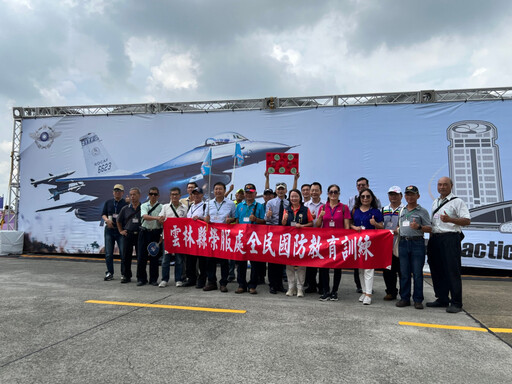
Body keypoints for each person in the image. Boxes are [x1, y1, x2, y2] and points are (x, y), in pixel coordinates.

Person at [425, 177, 470, 314]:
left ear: (451, 186)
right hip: (436, 238)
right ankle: (442, 298)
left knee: (452, 270)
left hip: (450, 238)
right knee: (437, 270)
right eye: (439, 185)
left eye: (445, 185)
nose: (442, 187)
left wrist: (450, 219)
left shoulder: (457, 201)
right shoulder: (435, 202)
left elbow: (467, 220)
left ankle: (456, 302)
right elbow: (434, 224)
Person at [395, 186, 431, 310]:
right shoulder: (402, 210)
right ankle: (404, 298)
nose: (410, 197)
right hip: (403, 243)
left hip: (417, 244)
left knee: (417, 273)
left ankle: (418, 300)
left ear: (418, 196)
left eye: (412, 194)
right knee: (404, 273)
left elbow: (430, 228)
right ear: (405, 196)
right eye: (407, 194)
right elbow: (399, 226)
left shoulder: (423, 211)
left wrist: (419, 227)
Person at [315, 184, 351, 301]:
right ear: (328, 194)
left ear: (339, 194)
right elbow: (318, 225)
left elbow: (346, 226)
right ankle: (325, 291)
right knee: (324, 267)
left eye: (335, 192)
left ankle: (334, 291)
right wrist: (320, 217)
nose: (333, 194)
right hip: (325, 241)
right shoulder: (323, 208)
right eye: (331, 192)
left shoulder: (344, 207)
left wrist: (344, 241)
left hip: (338, 241)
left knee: (337, 267)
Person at [350, 188, 384, 305]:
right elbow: (350, 224)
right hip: (358, 242)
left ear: (371, 198)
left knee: (369, 268)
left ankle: (369, 294)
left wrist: (375, 224)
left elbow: (382, 226)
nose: (365, 198)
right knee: (360, 269)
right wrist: (354, 228)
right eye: (363, 196)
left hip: (370, 243)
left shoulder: (376, 212)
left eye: (368, 196)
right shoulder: (355, 211)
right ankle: (364, 292)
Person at [280, 189, 314, 297]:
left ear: (300, 197)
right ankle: (291, 287)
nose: (294, 198)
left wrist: (302, 226)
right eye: (292, 197)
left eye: (296, 196)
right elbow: (283, 225)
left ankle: (300, 288)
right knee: (289, 265)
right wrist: (284, 220)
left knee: (301, 265)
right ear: (289, 198)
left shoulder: (305, 209)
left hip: (301, 241)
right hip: (289, 241)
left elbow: (311, 223)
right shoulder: (286, 209)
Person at [204, 182, 236, 292]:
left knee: (223, 261)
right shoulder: (208, 203)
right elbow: (205, 217)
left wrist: (230, 220)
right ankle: (211, 282)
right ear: (213, 191)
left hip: (224, 235)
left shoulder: (231, 203)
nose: (218, 191)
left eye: (220, 189)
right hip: (211, 234)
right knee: (210, 260)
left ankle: (223, 283)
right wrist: (206, 219)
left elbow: (235, 218)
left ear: (224, 190)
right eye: (216, 189)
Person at [234, 183, 266, 294]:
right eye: (247, 193)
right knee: (241, 263)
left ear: (255, 194)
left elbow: (264, 221)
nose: (249, 195)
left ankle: (252, 285)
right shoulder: (239, 206)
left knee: (254, 263)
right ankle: (241, 284)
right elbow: (237, 221)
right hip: (242, 237)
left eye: (251, 193)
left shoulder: (259, 206)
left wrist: (256, 219)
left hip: (254, 237)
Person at [158, 187, 187, 287]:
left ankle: (178, 279)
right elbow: (160, 219)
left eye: (176, 194)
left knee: (179, 260)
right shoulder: (165, 207)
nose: (174, 196)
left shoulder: (184, 208)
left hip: (179, 238)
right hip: (167, 237)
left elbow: (187, 222)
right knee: (166, 259)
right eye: (172, 194)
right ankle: (164, 279)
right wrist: (161, 219)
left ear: (179, 196)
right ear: (170, 196)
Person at [265, 182, 290, 294]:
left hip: (284, 233)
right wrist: (268, 216)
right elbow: (267, 220)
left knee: (281, 260)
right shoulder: (270, 202)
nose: (280, 191)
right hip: (273, 233)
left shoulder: (288, 203)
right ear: (276, 191)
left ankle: (279, 285)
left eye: (282, 189)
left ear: (286, 191)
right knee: (272, 261)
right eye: (278, 189)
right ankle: (272, 285)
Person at [136, 187, 163, 286]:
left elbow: (163, 222)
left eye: (155, 194)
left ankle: (153, 279)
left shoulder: (161, 207)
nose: (153, 196)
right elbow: (145, 217)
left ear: (158, 196)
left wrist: (161, 235)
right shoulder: (144, 205)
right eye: (151, 194)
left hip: (155, 233)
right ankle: (141, 279)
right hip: (144, 232)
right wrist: (157, 218)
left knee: (154, 257)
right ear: (148, 195)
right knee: (141, 257)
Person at [101, 184, 127, 281]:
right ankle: (109, 272)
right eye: (115, 190)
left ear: (123, 193)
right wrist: (107, 220)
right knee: (108, 253)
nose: (117, 192)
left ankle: (124, 273)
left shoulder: (125, 203)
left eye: (119, 191)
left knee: (123, 253)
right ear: (113, 192)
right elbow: (103, 214)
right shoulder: (108, 202)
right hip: (109, 229)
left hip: (120, 230)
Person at [381, 186, 403, 300]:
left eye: (396, 194)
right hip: (386, 245)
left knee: (402, 271)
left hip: (399, 244)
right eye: (391, 194)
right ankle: (390, 291)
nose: (393, 197)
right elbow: (380, 226)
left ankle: (404, 294)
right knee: (388, 270)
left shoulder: (404, 209)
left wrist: (398, 230)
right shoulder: (384, 209)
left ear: (401, 196)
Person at [183, 187, 208, 288]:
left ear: (202, 195)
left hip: (201, 236)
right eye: (194, 194)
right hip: (191, 237)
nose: (196, 195)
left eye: (198, 194)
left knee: (202, 260)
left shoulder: (205, 206)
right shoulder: (191, 206)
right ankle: (192, 278)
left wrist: (200, 218)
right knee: (190, 260)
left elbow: (207, 219)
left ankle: (202, 280)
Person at [117, 187, 141, 284]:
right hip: (128, 234)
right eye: (131, 194)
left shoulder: (143, 207)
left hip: (140, 235)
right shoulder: (125, 208)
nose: (132, 196)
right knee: (126, 256)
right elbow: (118, 220)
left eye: (134, 194)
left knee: (140, 257)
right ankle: (126, 275)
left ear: (139, 195)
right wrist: (121, 231)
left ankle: (140, 277)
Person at [305, 182, 324, 293]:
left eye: (316, 190)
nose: (314, 192)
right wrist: (310, 218)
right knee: (310, 262)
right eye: (312, 190)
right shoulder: (306, 205)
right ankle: (311, 285)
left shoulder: (325, 204)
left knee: (321, 261)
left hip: (322, 236)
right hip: (310, 237)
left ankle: (321, 286)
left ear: (320, 192)